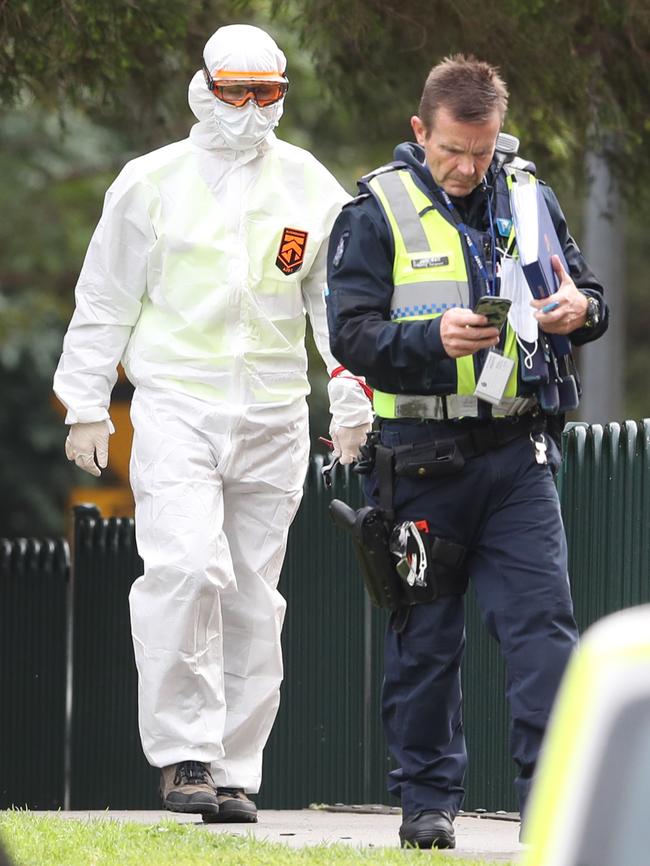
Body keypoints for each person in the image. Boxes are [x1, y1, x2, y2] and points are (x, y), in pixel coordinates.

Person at [54, 24, 372, 823]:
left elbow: (335, 303)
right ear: (205, 87)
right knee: (186, 571)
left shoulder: (308, 185)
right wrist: (87, 401)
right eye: (238, 90)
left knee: (253, 597)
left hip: (271, 411)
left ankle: (235, 769)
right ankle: (182, 755)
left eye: (269, 92)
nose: (253, 108)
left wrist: (350, 390)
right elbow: (105, 298)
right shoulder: (150, 183)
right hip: (177, 406)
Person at [325, 54, 608, 850]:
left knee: (543, 633)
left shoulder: (529, 194)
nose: (466, 166)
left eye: (481, 151)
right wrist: (429, 340)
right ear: (422, 131)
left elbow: (594, 301)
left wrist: (577, 308)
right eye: (452, 149)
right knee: (425, 640)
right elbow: (350, 334)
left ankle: (551, 803)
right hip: (418, 462)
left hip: (518, 458)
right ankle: (426, 805)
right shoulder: (375, 209)